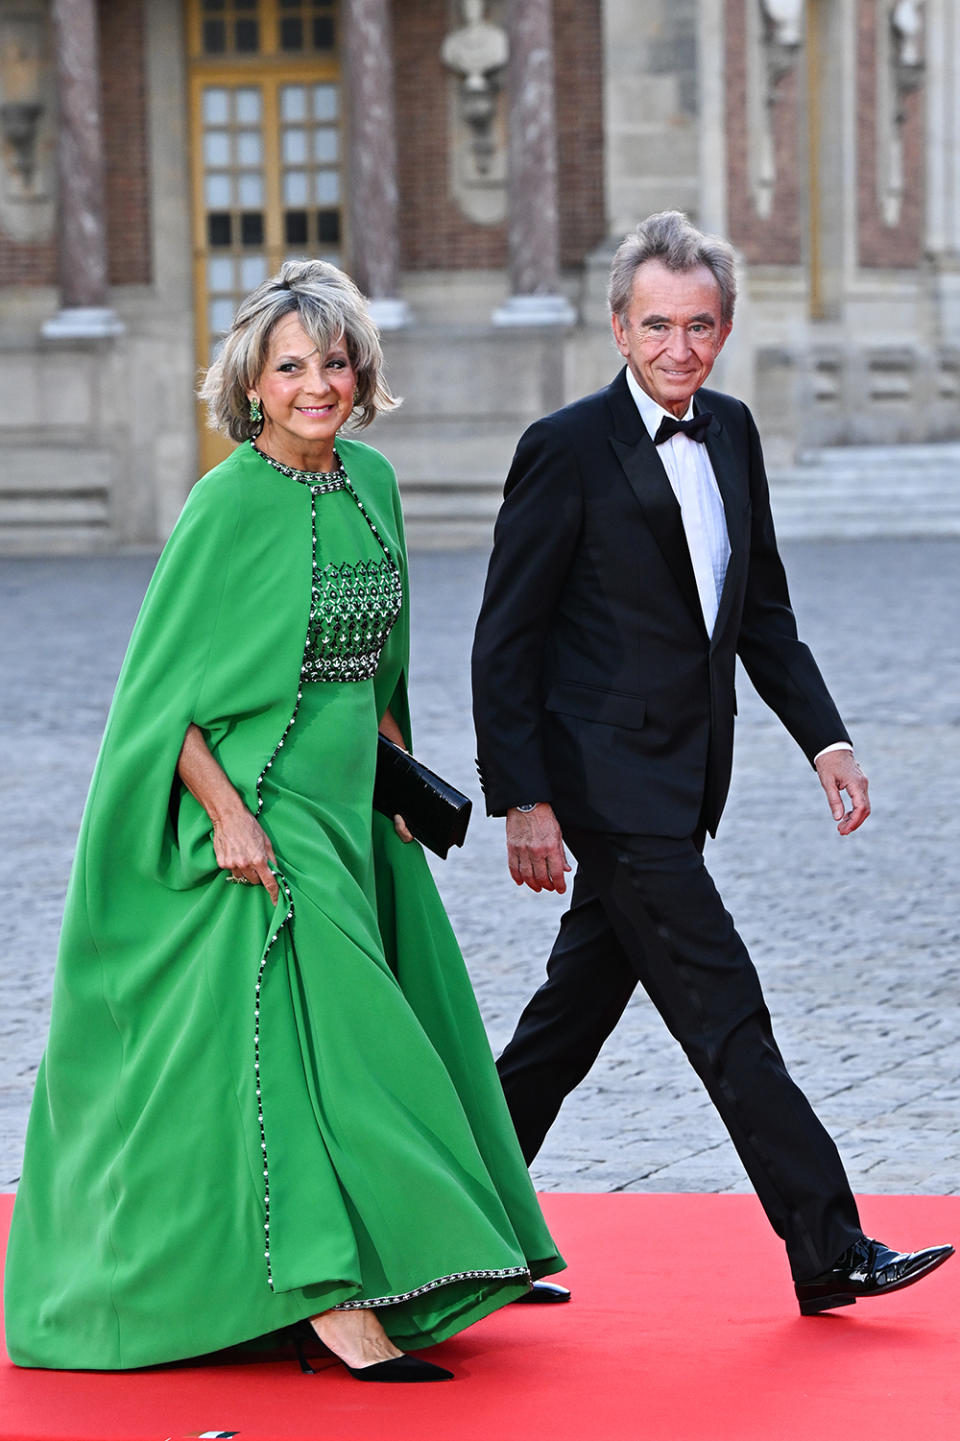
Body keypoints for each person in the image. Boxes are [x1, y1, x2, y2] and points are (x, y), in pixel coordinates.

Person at [4, 260, 563, 1379]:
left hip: (356, 807)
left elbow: (380, 667)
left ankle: (446, 1248)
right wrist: (225, 814)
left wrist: (402, 782)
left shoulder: (374, 483)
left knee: (399, 1028)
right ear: (251, 388)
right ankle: (337, 1298)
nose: (319, 383)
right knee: (350, 1044)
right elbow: (157, 696)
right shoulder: (226, 501)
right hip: (263, 803)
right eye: (292, 366)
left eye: (335, 361)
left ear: (362, 375)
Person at [471, 211, 952, 1316]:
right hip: (606, 786)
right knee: (728, 1011)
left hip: (687, 781)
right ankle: (828, 1246)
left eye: (698, 326)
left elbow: (763, 612)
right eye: (656, 325)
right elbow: (508, 638)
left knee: (562, 1026)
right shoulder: (564, 446)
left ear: (724, 328)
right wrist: (526, 798)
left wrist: (824, 737)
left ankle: (456, 1233)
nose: (677, 347)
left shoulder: (730, 433)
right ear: (617, 324)